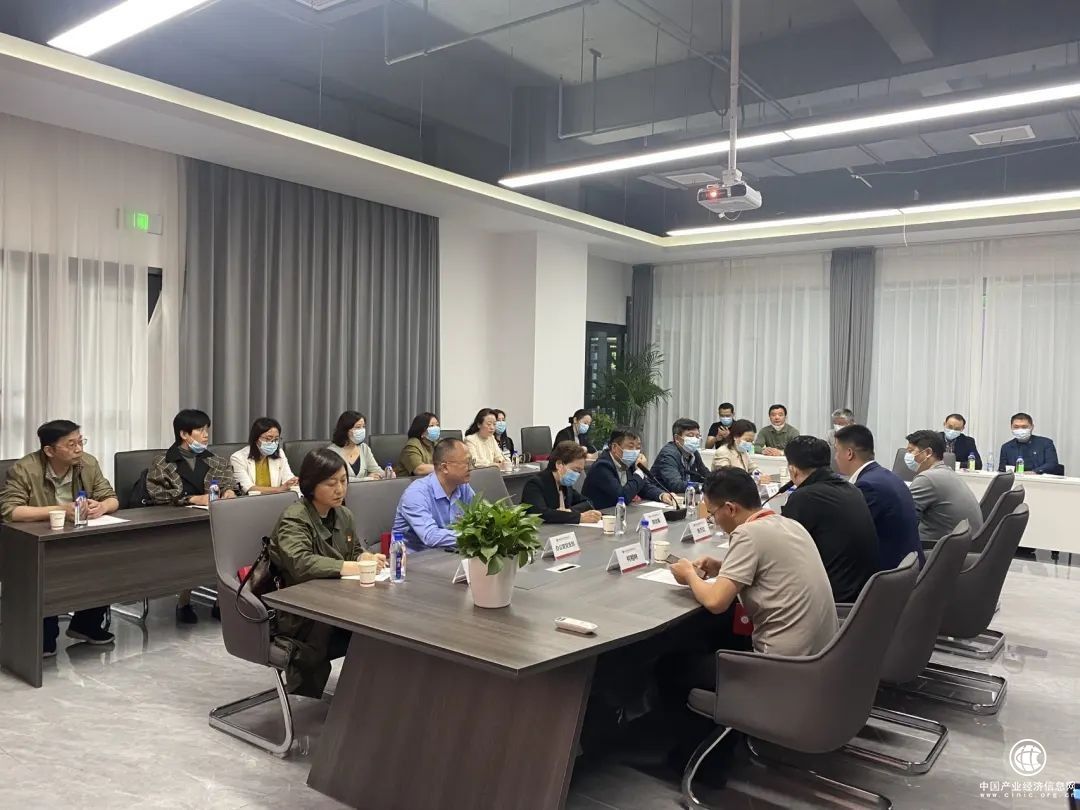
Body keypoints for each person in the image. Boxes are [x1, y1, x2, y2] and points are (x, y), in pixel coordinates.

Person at [666, 468, 838, 691]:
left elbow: (716, 602)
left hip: (780, 668)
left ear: (730, 508)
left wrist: (689, 574)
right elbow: (769, 570)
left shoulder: (747, 534)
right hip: (821, 660)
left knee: (672, 667)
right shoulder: (789, 524)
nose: (714, 521)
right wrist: (722, 568)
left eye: (712, 514)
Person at [269, 449, 384, 697]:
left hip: (339, 601)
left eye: (343, 481)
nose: (340, 489)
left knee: (383, 625)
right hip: (302, 612)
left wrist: (365, 558)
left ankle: (370, 693)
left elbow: (354, 550)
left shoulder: (343, 514)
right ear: (311, 485)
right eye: (331, 484)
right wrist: (353, 567)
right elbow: (301, 563)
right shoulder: (294, 518)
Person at [0, 420, 118, 656]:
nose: (79, 449)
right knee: (47, 570)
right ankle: (45, 632)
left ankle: (86, 625)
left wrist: (102, 507)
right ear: (49, 450)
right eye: (71, 444)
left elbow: (111, 497)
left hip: (78, 536)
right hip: (36, 543)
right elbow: (10, 511)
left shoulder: (87, 463)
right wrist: (60, 510)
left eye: (80, 441)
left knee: (108, 558)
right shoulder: (25, 469)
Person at [146, 408, 237, 623]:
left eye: (207, 430)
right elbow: (156, 493)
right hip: (176, 523)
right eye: (200, 430)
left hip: (214, 519)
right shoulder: (163, 462)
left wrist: (230, 492)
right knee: (192, 549)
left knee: (230, 547)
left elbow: (229, 483)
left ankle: (221, 602)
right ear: (184, 434)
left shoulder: (216, 460)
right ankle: (184, 601)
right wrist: (192, 499)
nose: (206, 435)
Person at [780, 436, 879, 603]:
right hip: (862, 595)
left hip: (834, 599)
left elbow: (782, 551)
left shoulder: (805, 497)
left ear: (793, 469)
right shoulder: (851, 489)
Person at [833, 425, 924, 570]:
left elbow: (849, 536)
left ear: (849, 453)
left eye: (837, 451)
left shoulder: (868, 487)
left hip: (889, 571)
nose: (835, 457)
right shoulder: (887, 476)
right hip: (908, 565)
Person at [392, 437, 476, 551]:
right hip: (414, 557)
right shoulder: (416, 493)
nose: (471, 468)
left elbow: (478, 519)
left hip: (449, 552)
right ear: (445, 467)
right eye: (466, 463)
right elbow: (430, 536)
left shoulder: (463, 487)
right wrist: (473, 536)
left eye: (472, 462)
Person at [905, 429, 983, 544]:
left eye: (911, 451)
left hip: (936, 547)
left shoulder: (927, 478)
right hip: (964, 545)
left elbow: (905, 519)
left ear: (928, 453)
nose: (908, 456)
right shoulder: (948, 472)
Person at [582, 427, 676, 510]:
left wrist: (661, 495)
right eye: (630, 447)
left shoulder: (627, 463)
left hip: (619, 513)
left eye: (638, 447)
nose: (635, 452)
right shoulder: (602, 466)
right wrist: (640, 471)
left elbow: (644, 487)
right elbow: (622, 497)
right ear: (614, 447)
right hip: (600, 516)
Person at [521, 441, 603, 525]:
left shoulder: (565, 485)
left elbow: (588, 502)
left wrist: (570, 511)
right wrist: (579, 517)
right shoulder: (535, 484)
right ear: (559, 464)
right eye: (575, 470)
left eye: (579, 472)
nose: (577, 475)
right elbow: (541, 514)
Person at [230, 417, 299, 494]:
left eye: (276, 439)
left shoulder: (280, 453)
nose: (273, 443)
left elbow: (288, 479)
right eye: (268, 438)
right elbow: (248, 488)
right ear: (256, 438)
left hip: (277, 498)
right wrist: (280, 489)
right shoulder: (238, 458)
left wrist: (293, 482)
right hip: (251, 499)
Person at [651, 418, 710, 493]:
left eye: (697, 436)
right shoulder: (668, 454)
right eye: (690, 435)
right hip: (660, 496)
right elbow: (676, 485)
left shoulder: (693, 452)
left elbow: (705, 473)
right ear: (677, 438)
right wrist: (702, 486)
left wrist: (716, 482)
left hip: (684, 495)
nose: (695, 439)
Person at [327, 410, 385, 481]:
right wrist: (366, 479)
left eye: (363, 427)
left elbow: (375, 469)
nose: (362, 430)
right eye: (358, 427)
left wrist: (386, 474)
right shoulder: (332, 452)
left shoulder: (364, 448)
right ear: (346, 429)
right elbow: (339, 479)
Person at [394, 412, 441, 477]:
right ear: (421, 430)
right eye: (432, 426)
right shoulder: (411, 446)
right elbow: (419, 469)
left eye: (437, 425)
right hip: (407, 482)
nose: (436, 428)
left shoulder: (436, 444)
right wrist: (442, 467)